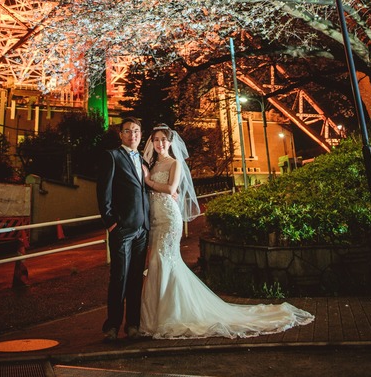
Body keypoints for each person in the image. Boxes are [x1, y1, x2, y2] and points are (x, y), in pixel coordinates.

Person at [139, 124, 314, 339]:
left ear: (170, 142)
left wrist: (147, 181)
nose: (159, 143)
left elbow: (171, 189)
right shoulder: (151, 165)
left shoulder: (174, 163)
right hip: (155, 219)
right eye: (155, 139)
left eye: (163, 140)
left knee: (164, 260)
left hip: (169, 218)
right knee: (156, 262)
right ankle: (155, 317)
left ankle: (171, 316)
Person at [96, 117, 150, 341]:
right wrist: (111, 224)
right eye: (128, 131)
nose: (132, 135)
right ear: (121, 134)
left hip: (143, 230)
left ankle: (133, 325)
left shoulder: (145, 161)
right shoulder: (112, 156)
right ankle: (112, 326)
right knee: (119, 276)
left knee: (136, 278)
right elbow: (103, 192)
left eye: (136, 131)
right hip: (122, 228)